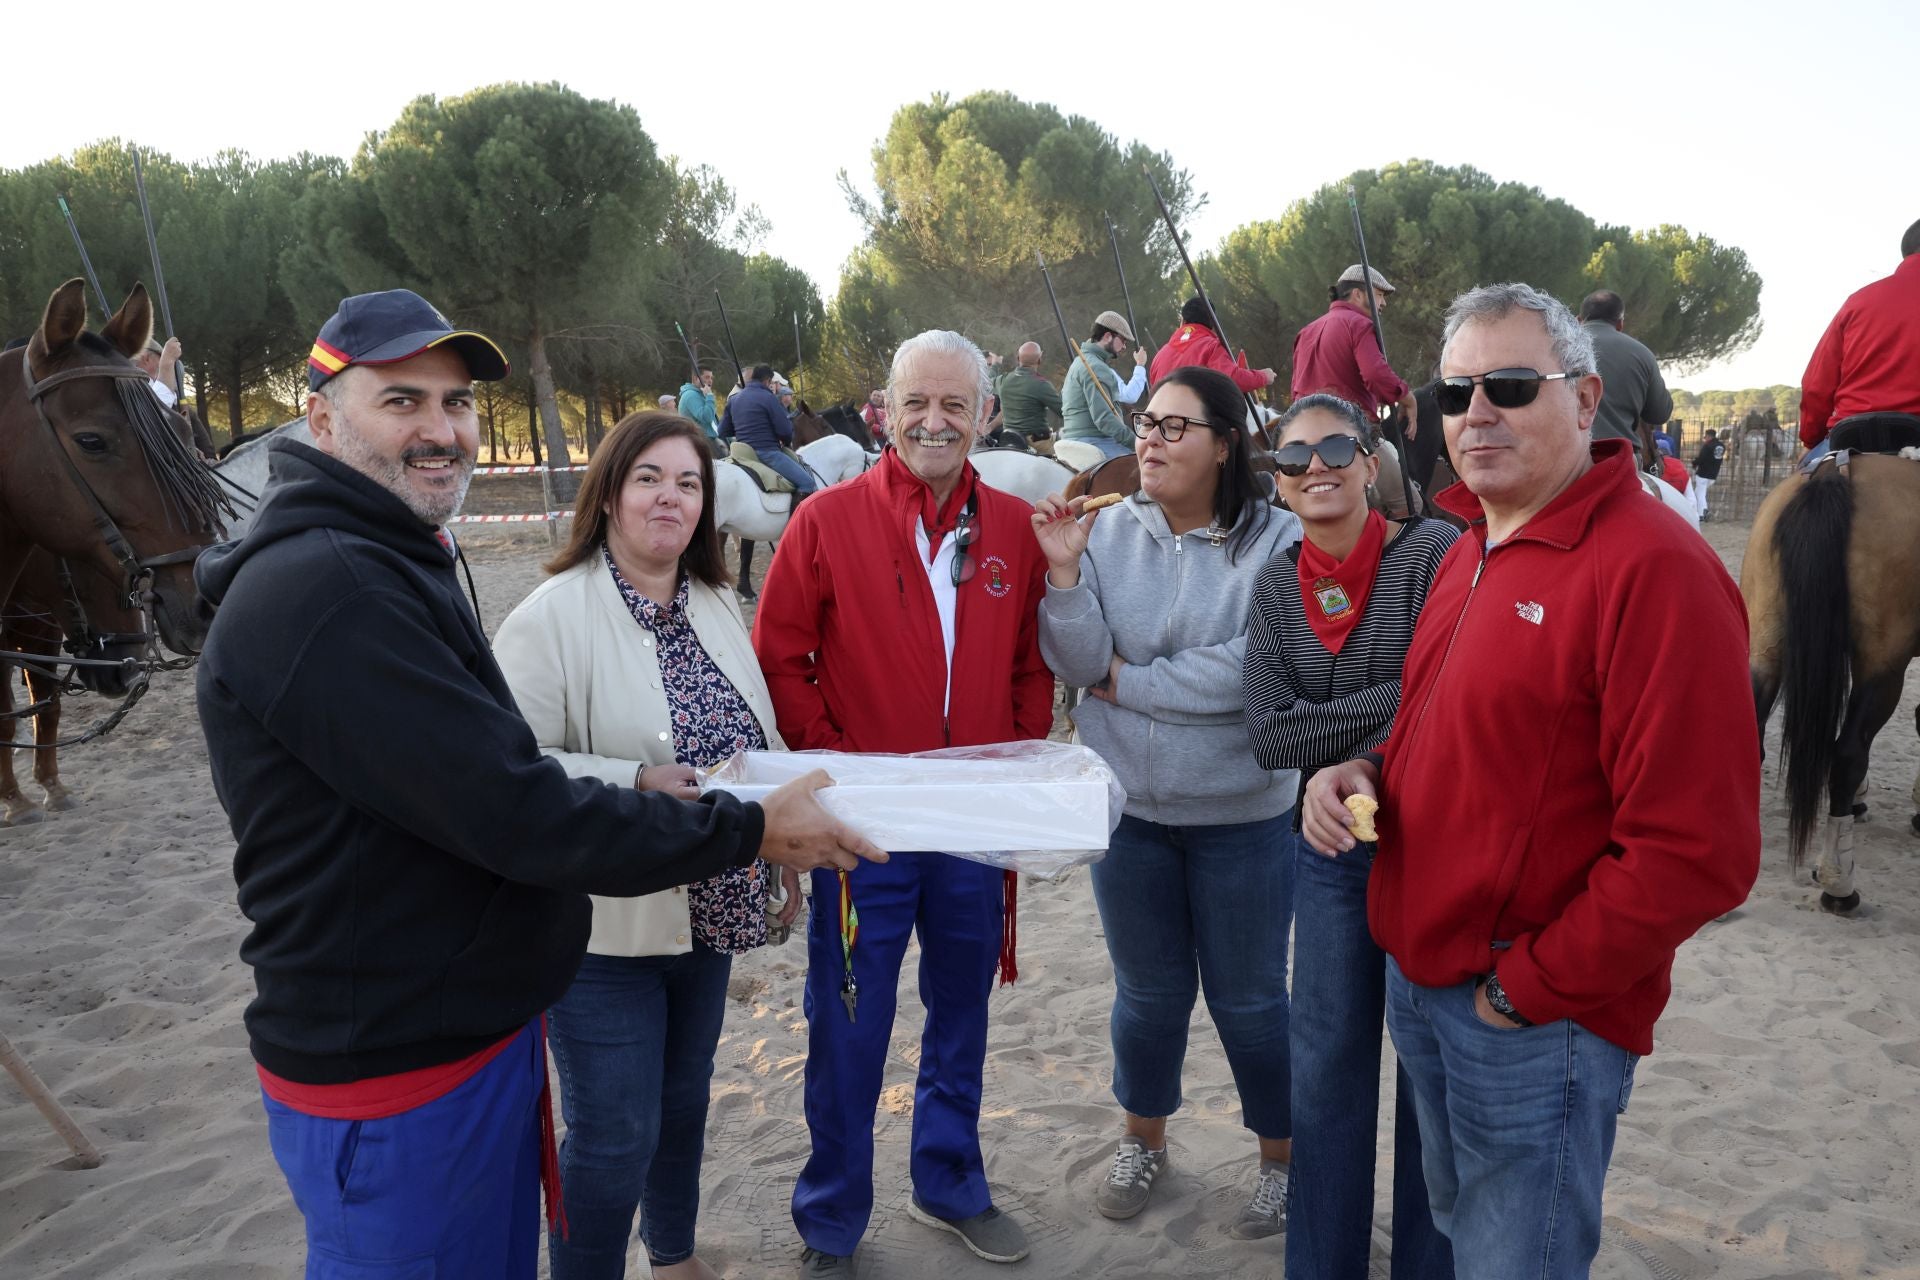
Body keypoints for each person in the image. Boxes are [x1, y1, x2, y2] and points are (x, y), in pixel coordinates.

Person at [195, 288, 884, 1279]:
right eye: (401, 401)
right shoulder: (333, 586)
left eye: (458, 403)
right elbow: (515, 801)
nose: (440, 430)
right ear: (319, 418)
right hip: (398, 1066)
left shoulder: (392, 558)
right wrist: (744, 829)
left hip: (463, 1034)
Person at [1299, 282, 1760, 1280]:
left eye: (1511, 385)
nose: (1476, 413)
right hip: (1426, 986)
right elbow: (1442, 736)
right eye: (1457, 390)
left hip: (1531, 1015)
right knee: (1468, 1237)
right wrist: (1358, 770)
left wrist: (1525, 987)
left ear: (1587, 401)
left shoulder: (1658, 570)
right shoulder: (1472, 547)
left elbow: (1700, 853)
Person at [752, 330, 1053, 1277]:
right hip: (862, 831)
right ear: (884, 411)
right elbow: (781, 655)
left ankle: (949, 1181)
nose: (935, 421)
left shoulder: (1011, 527)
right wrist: (842, 773)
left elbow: (1028, 665)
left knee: (960, 1010)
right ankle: (833, 1216)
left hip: (968, 825)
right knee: (848, 1020)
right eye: (917, 404)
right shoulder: (825, 520)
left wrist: (1010, 770)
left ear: (985, 416)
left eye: (955, 406)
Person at [493, 411, 799, 1280]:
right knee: (612, 1134)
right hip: (602, 928)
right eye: (650, 479)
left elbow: (756, 740)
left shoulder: (713, 602)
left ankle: (674, 1258)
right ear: (611, 494)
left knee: (682, 1101)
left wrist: (776, 847)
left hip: (709, 905)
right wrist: (629, 777)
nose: (671, 497)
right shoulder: (550, 617)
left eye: (690, 483)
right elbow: (511, 770)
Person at [1033, 365, 1302, 1238]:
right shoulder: (1107, 535)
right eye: (1147, 423)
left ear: (1225, 444)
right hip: (1130, 816)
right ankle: (1142, 1139)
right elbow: (1075, 665)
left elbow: (1248, 675)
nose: (1148, 439)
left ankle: (1283, 1161)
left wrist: (1126, 681)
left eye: (1175, 427)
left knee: (1252, 1001)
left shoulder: (1282, 543)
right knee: (1145, 999)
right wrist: (1067, 580)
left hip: (1243, 816)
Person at [1243, 393, 1457, 1280]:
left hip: (1437, 848)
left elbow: (1452, 693)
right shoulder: (1273, 583)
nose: (1315, 467)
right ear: (1280, 483)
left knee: (1425, 1083)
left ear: (1372, 461)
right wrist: (1401, 707)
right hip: (1329, 850)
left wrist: (1353, 731)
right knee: (1326, 1075)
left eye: (1335, 447)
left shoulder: (1435, 553)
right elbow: (1267, 735)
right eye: (1293, 458)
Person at [1799, 218, 1920, 462]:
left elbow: (1816, 385)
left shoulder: (1857, 302)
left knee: (1795, 489)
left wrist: (1811, 440)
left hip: (1850, 436)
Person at [1289, 269, 1413, 423]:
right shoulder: (1360, 324)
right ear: (1358, 294)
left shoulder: (1305, 331)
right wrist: (1406, 397)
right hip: (1346, 424)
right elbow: (1375, 375)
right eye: (1379, 295)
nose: (1384, 303)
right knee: (1389, 449)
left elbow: (1295, 389)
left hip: (1303, 425)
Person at [1578, 289, 1674, 462]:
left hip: (1561, 462)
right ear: (1620, 324)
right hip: (1619, 461)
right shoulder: (1642, 353)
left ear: (1578, 320)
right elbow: (1659, 414)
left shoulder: (1554, 348)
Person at [719, 364, 816, 505]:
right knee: (807, 482)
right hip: (767, 453)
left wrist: (743, 428)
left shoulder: (734, 399)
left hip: (742, 454)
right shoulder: (769, 398)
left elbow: (723, 431)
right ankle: (797, 523)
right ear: (767, 380)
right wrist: (786, 441)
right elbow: (785, 431)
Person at [1060, 310, 1146, 459]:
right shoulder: (1097, 367)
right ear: (1108, 336)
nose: (1124, 346)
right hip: (1095, 439)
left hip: (1076, 436)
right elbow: (1104, 419)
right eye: (1123, 340)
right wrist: (1136, 442)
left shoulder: (1081, 361)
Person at [1151, 296, 1276, 394]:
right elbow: (1232, 380)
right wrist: (1263, 376)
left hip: (1160, 423)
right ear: (1212, 324)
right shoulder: (1211, 347)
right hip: (1195, 423)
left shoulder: (1159, 356)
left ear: (1183, 321)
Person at [995, 341, 1063, 455]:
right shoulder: (1041, 384)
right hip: (1038, 444)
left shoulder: (1003, 380)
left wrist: (995, 365)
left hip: (1009, 440)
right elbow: (1063, 411)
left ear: (1018, 358)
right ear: (1039, 360)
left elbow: (989, 380)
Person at [677, 369, 721, 449]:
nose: (710, 381)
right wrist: (710, 396)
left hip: (706, 439)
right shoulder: (691, 395)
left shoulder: (701, 394)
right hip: (701, 442)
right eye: (707, 377)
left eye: (711, 378)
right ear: (695, 379)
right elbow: (707, 417)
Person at [1692, 427, 1726, 519]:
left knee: (1700, 494)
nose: (1705, 439)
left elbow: (1701, 458)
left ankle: (1702, 514)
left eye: (1705, 437)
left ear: (1708, 436)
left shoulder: (1707, 446)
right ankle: (1696, 510)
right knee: (1698, 492)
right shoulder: (1721, 446)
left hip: (1703, 473)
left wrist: (1694, 463)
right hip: (1713, 474)